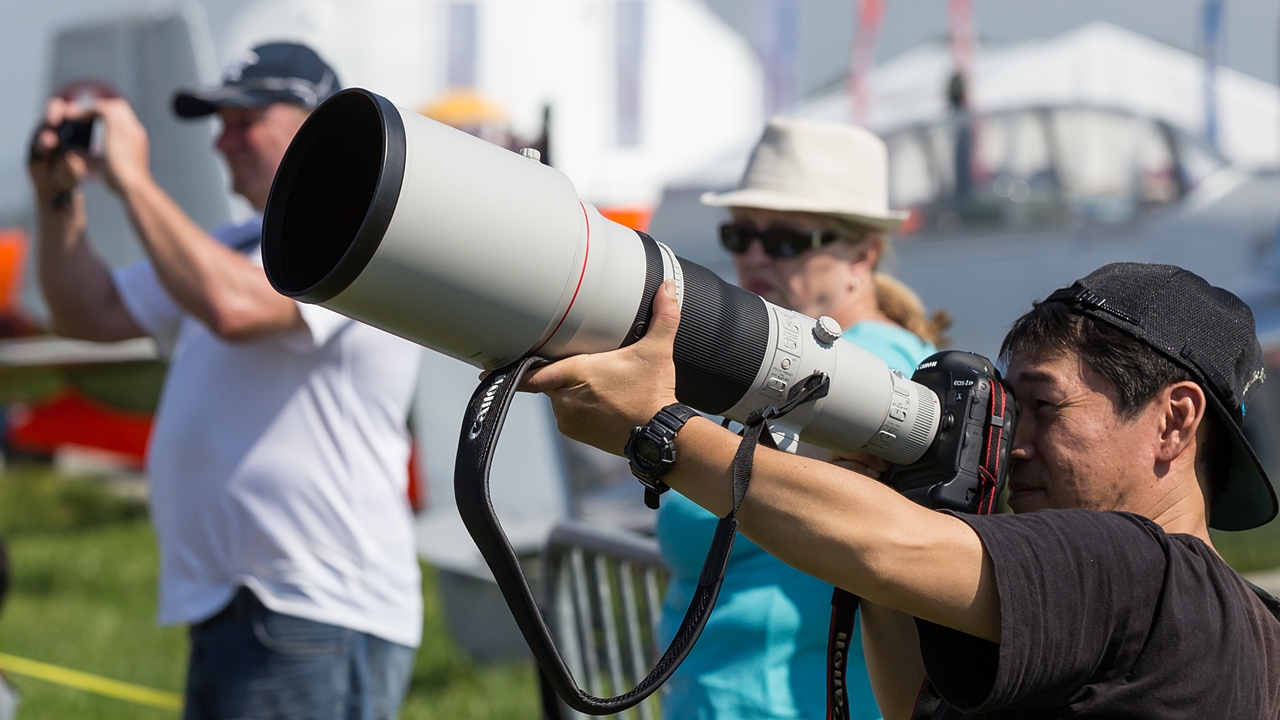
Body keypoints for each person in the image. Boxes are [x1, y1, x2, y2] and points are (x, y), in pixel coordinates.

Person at [522, 261, 1280, 718]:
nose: (1014, 446)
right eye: (1009, 411)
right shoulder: (1255, 629)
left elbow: (886, 547)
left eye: (1046, 408)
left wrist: (661, 429)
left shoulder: (1145, 572)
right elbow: (917, 702)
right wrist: (896, 484)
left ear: (1175, 420)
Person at [27, 43, 424, 719]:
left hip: (314, 607)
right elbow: (85, 311)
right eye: (219, 121)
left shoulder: (360, 236)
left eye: (244, 119)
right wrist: (58, 194)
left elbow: (237, 309)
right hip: (238, 605)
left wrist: (134, 184)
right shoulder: (237, 245)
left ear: (315, 122)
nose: (222, 140)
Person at [652, 117, 946, 720]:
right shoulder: (777, 362)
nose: (754, 255)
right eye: (740, 234)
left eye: (785, 240)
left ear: (861, 254)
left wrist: (643, 417)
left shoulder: (878, 368)